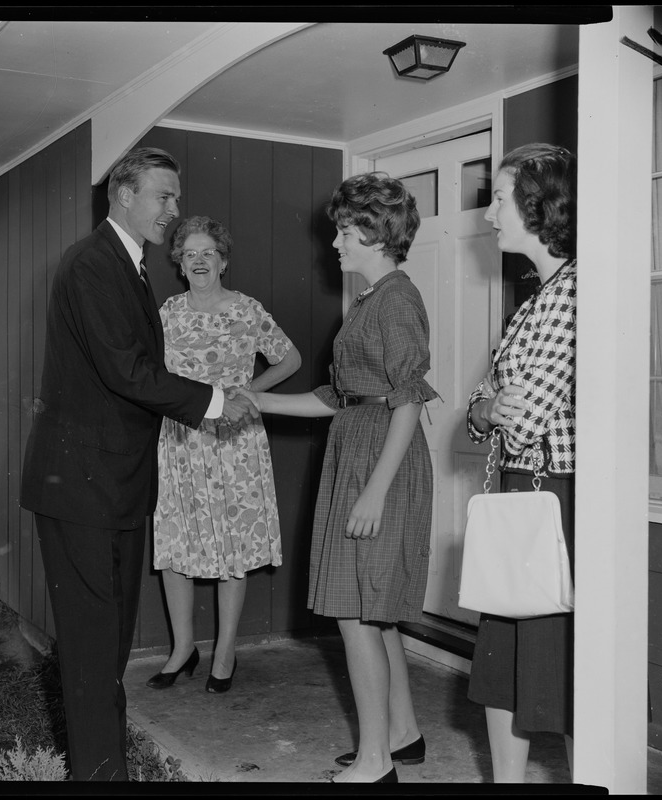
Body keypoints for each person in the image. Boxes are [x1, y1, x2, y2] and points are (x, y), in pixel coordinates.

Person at [19, 148, 258, 781]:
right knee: (96, 654)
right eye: (165, 196)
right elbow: (128, 371)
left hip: (110, 486)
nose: (174, 210)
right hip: (84, 490)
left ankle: (103, 770)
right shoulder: (95, 263)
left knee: (107, 652)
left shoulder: (129, 264)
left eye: (175, 198)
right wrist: (213, 399)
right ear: (124, 195)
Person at [244, 173, 437, 783]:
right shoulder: (371, 299)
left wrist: (376, 490)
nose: (335, 244)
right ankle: (402, 734)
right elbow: (340, 397)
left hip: (380, 457)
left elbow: (407, 400)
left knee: (358, 615)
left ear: (377, 235)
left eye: (346, 232)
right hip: (358, 443)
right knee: (373, 612)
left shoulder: (397, 298)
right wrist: (258, 400)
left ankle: (376, 764)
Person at [147, 216, 301, 694]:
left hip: (235, 442)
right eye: (189, 253)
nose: (198, 260)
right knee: (176, 544)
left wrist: (249, 393)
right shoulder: (167, 313)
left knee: (231, 547)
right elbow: (150, 373)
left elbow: (289, 359)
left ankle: (226, 651)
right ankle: (182, 648)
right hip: (181, 442)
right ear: (179, 263)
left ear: (223, 260)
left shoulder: (247, 310)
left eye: (207, 252)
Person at [464, 143, 577, 782]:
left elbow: (522, 414)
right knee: (505, 652)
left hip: (551, 494)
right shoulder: (535, 299)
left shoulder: (572, 290)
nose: (488, 215)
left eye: (499, 199)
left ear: (538, 206)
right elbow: (482, 408)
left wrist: (492, 407)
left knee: (551, 661)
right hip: (519, 489)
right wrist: (485, 408)